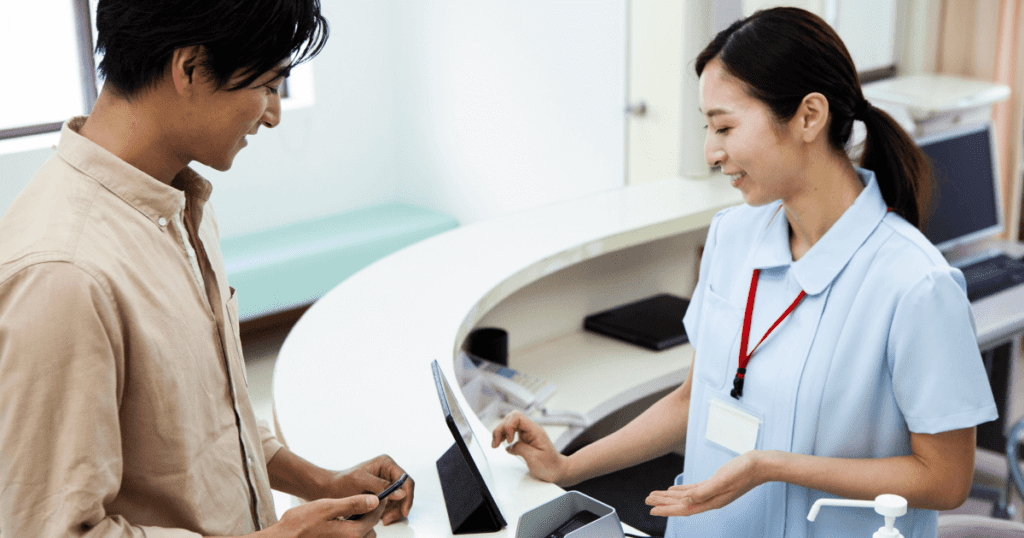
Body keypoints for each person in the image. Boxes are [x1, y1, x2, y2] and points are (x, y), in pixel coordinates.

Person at [491, 7, 997, 538]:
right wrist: (568, 467)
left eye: (725, 126)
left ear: (808, 117)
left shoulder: (915, 283)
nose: (712, 151)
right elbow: (695, 400)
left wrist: (772, 466)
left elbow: (945, 478)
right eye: (708, 128)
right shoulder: (733, 237)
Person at [0, 1, 413, 537]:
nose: (274, 113)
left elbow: (210, 418)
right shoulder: (63, 274)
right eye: (267, 85)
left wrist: (320, 482)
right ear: (190, 68)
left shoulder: (179, 202)